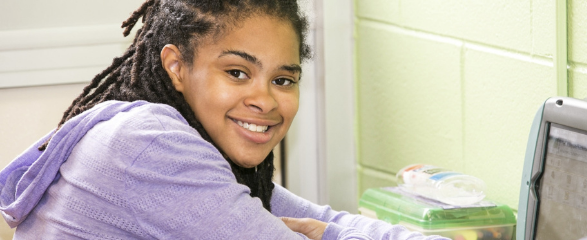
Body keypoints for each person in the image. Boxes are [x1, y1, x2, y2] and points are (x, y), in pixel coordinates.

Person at [0, 0, 450, 239]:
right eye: (237, 72)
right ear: (177, 67)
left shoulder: (204, 153)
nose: (265, 100)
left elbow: (320, 218)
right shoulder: (148, 147)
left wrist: (325, 233)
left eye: (283, 80)